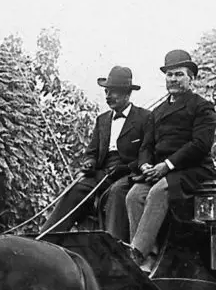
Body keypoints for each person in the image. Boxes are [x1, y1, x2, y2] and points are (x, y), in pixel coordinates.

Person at [126, 49, 216, 271]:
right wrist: (145, 165)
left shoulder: (201, 107)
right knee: (134, 195)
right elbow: (146, 146)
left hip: (192, 169)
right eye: (170, 75)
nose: (173, 79)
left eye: (179, 74)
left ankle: (137, 253)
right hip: (159, 169)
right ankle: (149, 259)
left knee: (159, 192)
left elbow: (200, 145)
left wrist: (166, 165)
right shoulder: (157, 112)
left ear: (191, 78)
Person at [42, 65, 153, 240]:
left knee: (116, 193)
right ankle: (46, 240)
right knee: (76, 189)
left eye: (113, 92)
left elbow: (147, 152)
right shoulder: (102, 120)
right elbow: (91, 152)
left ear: (127, 94)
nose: (108, 96)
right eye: (106, 92)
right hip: (102, 172)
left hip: (129, 172)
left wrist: (126, 168)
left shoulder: (145, 117)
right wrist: (90, 163)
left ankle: (113, 247)